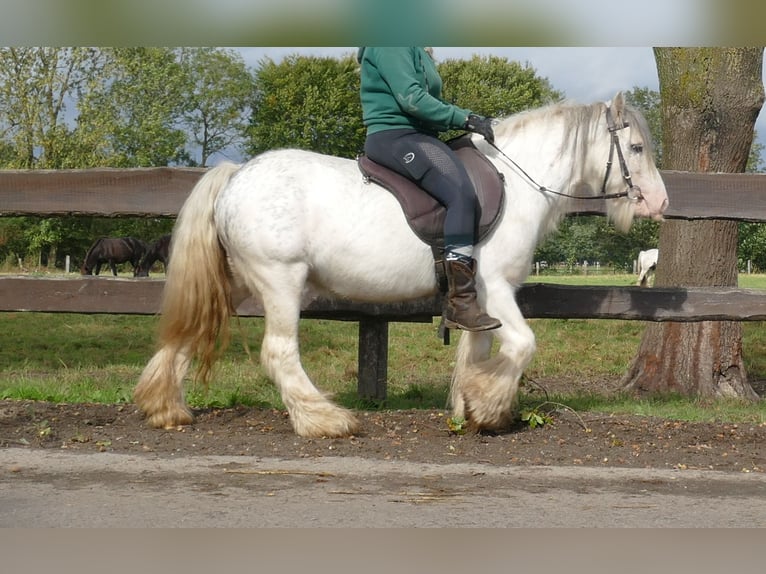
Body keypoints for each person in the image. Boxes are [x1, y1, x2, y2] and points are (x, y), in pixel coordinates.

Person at [358, 46, 501, 331]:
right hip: (395, 136)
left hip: (421, 136)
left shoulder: (415, 47)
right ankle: (461, 302)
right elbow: (413, 100)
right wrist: (467, 118)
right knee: (461, 195)